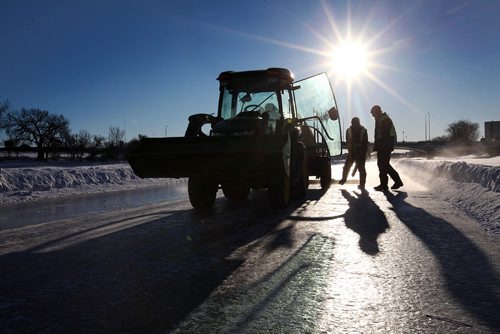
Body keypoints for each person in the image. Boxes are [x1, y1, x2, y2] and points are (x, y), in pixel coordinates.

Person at [370, 105, 403, 191]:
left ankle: (393, 182)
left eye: (373, 114)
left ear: (377, 112)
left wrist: (381, 145)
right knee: (383, 165)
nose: (373, 116)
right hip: (383, 146)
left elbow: (385, 135)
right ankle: (385, 184)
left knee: (383, 165)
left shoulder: (384, 120)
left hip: (384, 146)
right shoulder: (381, 119)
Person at [339, 117, 368, 189]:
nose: (355, 124)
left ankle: (362, 183)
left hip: (360, 152)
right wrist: (350, 150)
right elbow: (348, 141)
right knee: (347, 166)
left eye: (356, 123)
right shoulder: (349, 130)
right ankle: (343, 179)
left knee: (361, 168)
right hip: (352, 152)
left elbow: (365, 142)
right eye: (353, 123)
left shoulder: (363, 130)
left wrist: (362, 150)